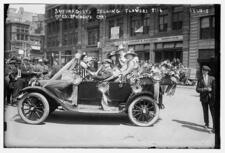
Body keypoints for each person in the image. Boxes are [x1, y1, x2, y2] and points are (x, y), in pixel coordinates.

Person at [196, 65, 215, 133]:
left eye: (205, 71)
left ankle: (215, 126)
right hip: (203, 98)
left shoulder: (212, 78)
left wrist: (211, 91)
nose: (203, 71)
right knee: (205, 111)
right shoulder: (200, 79)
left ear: (207, 72)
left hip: (211, 98)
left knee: (213, 112)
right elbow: (197, 89)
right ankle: (206, 124)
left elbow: (214, 89)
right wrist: (204, 89)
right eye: (203, 70)